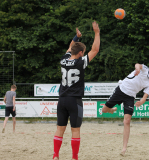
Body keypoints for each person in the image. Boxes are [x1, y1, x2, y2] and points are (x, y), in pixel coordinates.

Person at [53, 21, 100, 160]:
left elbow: (70, 47)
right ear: (80, 53)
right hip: (75, 100)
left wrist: (76, 37)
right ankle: (74, 157)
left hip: (62, 100)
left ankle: (56, 155)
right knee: (75, 130)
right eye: (83, 52)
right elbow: (95, 50)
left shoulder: (63, 60)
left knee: (60, 129)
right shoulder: (80, 62)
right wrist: (96, 32)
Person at [102, 63, 149, 156]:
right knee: (104, 110)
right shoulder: (144, 69)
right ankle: (111, 110)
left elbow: (145, 96)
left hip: (130, 97)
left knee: (127, 121)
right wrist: (138, 69)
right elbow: (137, 65)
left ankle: (124, 148)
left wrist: (141, 102)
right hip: (121, 90)